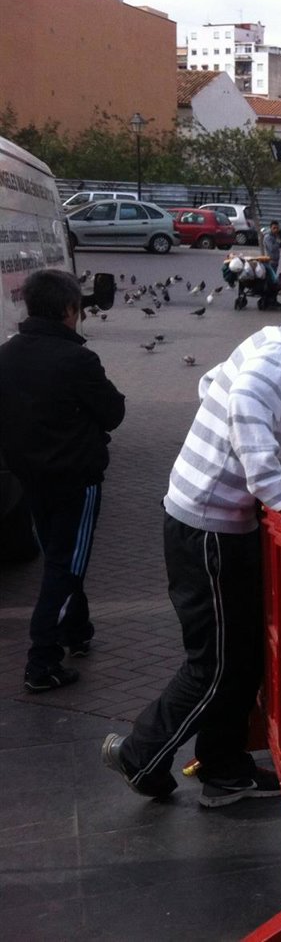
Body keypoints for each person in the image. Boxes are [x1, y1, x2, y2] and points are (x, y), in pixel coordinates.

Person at [102, 265, 281, 808]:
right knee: (217, 661)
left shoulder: (270, 343)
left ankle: (225, 769)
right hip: (207, 528)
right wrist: (278, 495)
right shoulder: (275, 362)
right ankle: (140, 755)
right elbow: (244, 402)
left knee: (242, 655)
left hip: (209, 521)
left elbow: (213, 384)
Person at [0, 269, 125, 692]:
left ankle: (77, 629)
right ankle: (42, 660)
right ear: (70, 310)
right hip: (76, 479)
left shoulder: (7, 354)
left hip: (29, 476)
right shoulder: (78, 360)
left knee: (62, 555)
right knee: (65, 566)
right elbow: (113, 412)